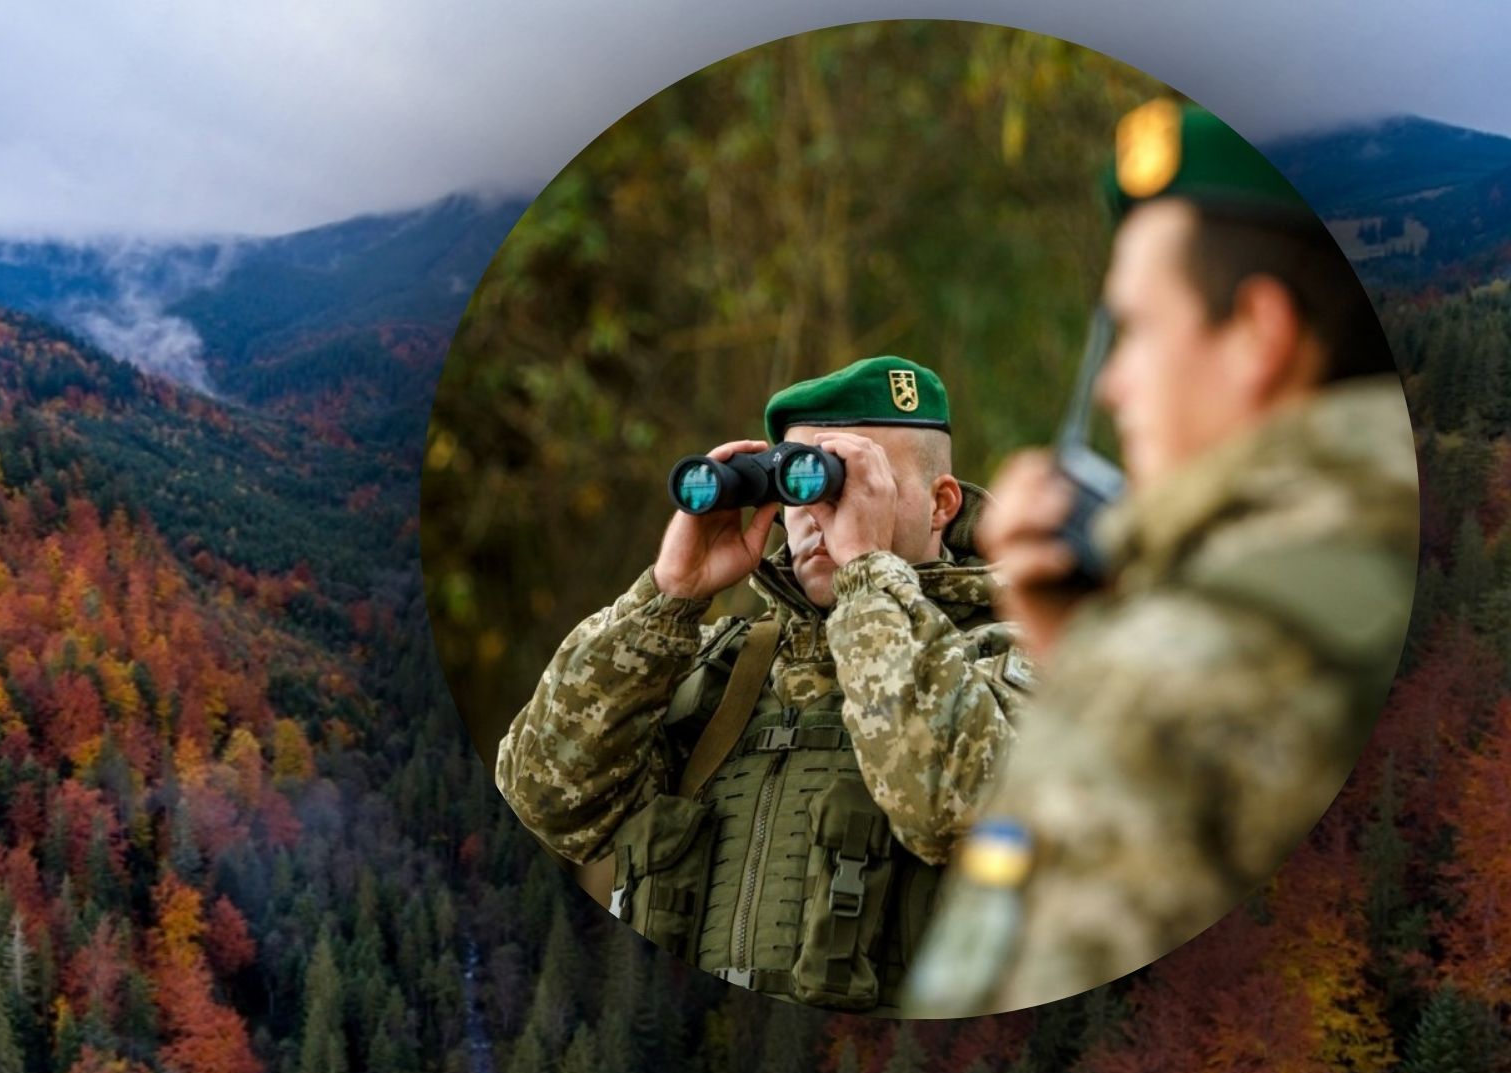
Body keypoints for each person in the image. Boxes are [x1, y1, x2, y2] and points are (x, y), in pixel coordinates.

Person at [904, 100, 1419, 1015]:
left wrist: (1107, 691)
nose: (1112, 382)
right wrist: (1087, 650)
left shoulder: (1160, 690)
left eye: (1135, 330)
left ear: (1258, 336)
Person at [494, 356, 1035, 1012]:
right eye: (799, 487)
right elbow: (548, 802)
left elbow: (953, 812)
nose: (815, 515)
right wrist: (665, 602)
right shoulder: (724, 671)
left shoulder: (1020, 662)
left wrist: (868, 571)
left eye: (853, 483)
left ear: (940, 504)